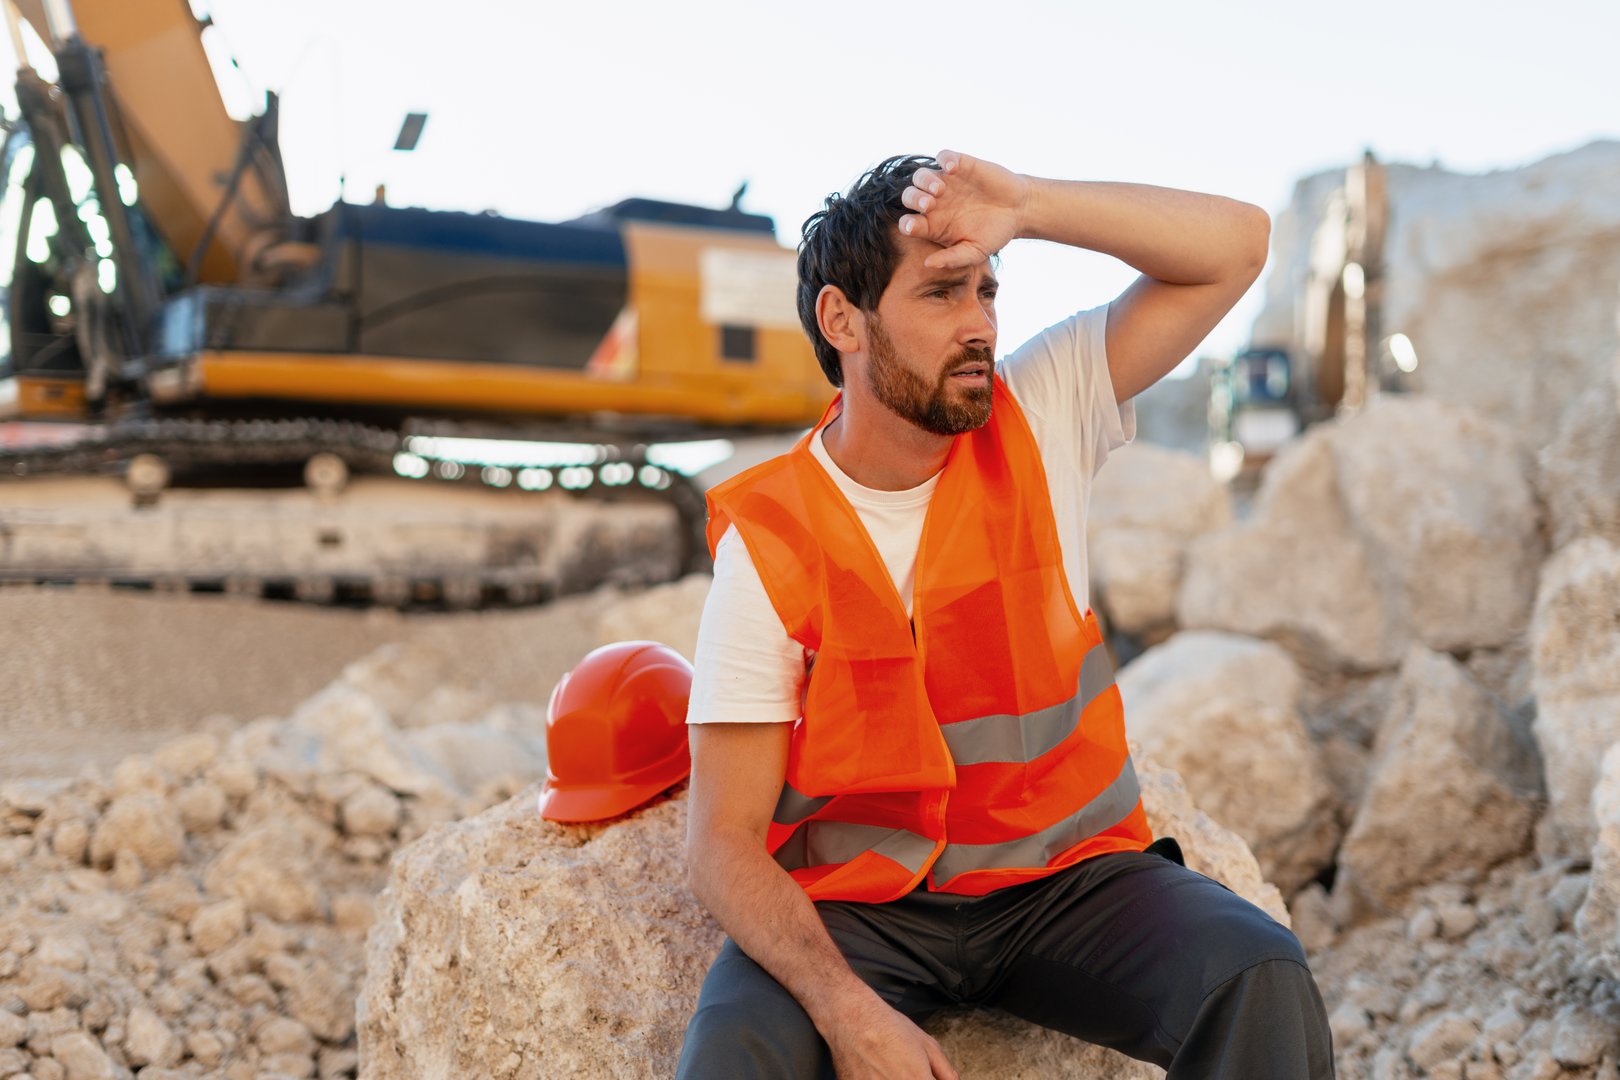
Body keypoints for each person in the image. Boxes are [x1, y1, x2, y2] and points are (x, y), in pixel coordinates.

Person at [676, 150, 1333, 1079]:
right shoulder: (772, 538)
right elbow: (722, 845)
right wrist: (846, 1013)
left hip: (1068, 883)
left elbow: (1238, 246)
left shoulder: (1046, 408)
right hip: (865, 911)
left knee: (1258, 971)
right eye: (944, 294)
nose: (980, 324)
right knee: (738, 1053)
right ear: (843, 321)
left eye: (988, 291)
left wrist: (1024, 205)